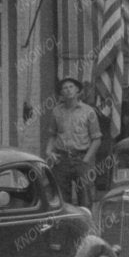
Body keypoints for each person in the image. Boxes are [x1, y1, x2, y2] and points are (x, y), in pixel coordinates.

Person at [46, 77, 102, 207]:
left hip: (81, 159)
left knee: (85, 199)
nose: (68, 90)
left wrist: (86, 160)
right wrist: (49, 151)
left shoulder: (89, 112)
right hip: (61, 160)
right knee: (61, 199)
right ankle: (66, 226)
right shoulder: (56, 112)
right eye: (65, 88)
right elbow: (52, 135)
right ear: (61, 93)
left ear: (77, 90)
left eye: (71, 87)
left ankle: (86, 226)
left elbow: (97, 139)